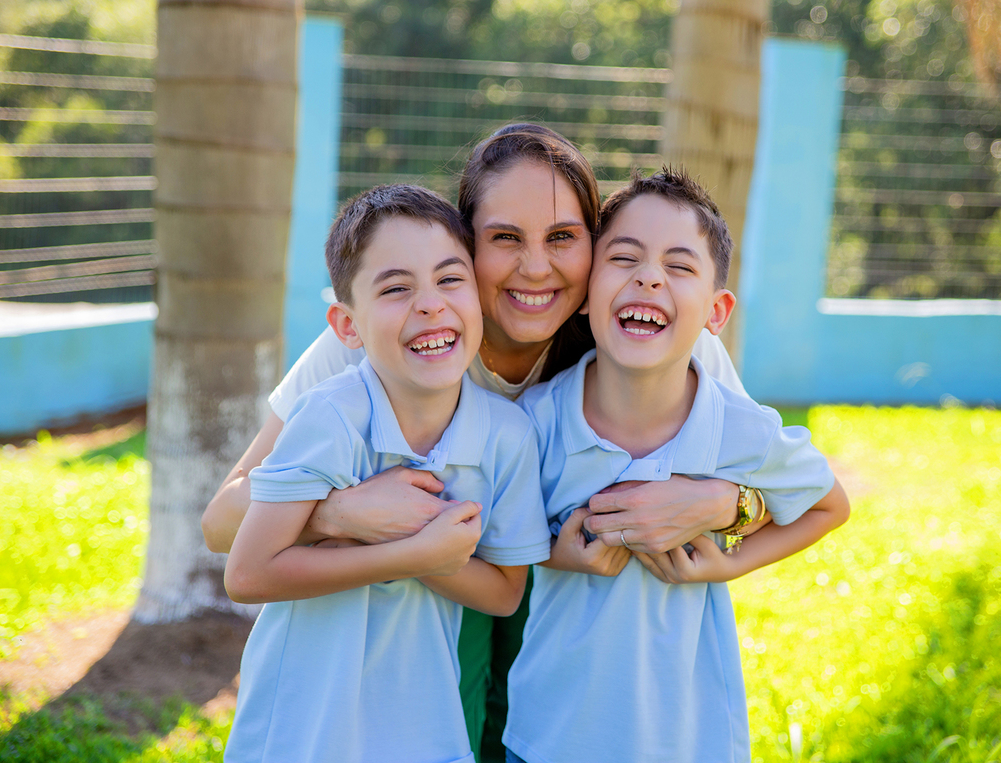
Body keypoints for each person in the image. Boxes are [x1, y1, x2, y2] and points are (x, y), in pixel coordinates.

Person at [201, 123, 780, 761]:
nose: (536, 266)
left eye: (563, 238)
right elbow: (224, 523)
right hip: (446, 580)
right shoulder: (372, 351)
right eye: (505, 239)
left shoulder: (648, 338)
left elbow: (777, 479)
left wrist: (729, 504)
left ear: (594, 246)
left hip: (572, 598)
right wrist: (341, 511)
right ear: (464, 241)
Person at [503, 169, 851, 763]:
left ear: (717, 311)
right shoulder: (535, 423)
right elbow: (490, 533)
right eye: (625, 257)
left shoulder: (738, 426)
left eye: (680, 265)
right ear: (585, 292)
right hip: (550, 738)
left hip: (690, 740)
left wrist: (725, 563)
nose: (649, 276)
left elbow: (829, 504)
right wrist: (562, 552)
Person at [222, 184, 551, 763]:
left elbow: (503, 594)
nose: (430, 304)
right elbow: (248, 574)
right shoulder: (328, 415)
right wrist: (412, 552)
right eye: (397, 288)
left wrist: (425, 553)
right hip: (303, 726)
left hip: (423, 727)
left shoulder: (508, 436)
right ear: (346, 326)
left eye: (451, 280)